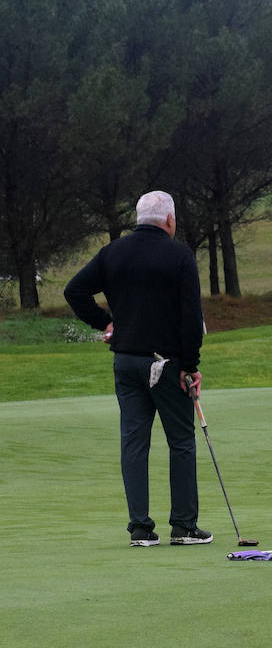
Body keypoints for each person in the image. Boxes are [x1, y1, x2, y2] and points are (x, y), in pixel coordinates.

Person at [64, 191, 211, 547]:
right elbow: (192, 319)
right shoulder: (178, 255)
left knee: (133, 441)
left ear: (139, 218)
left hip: (126, 362)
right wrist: (190, 366)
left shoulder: (114, 251)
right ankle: (184, 526)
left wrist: (106, 324)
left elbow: (75, 291)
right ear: (170, 220)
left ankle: (141, 529)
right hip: (166, 363)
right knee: (180, 441)